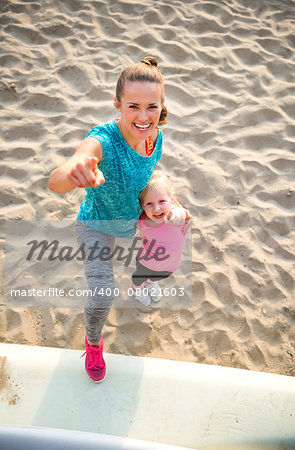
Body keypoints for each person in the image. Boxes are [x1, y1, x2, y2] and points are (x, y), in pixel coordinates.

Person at [48, 56, 169, 383]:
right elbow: (57, 179)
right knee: (102, 295)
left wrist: (156, 202)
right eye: (133, 106)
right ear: (117, 104)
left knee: (166, 240)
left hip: (132, 216)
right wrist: (74, 171)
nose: (143, 117)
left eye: (151, 107)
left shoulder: (155, 137)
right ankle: (93, 343)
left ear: (161, 106)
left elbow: (146, 176)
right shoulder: (103, 139)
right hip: (97, 224)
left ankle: (140, 281)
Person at [131, 170, 190, 306]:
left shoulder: (176, 214)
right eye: (149, 204)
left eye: (162, 201)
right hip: (147, 262)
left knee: (159, 276)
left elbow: (182, 214)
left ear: (172, 200)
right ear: (142, 207)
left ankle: (150, 283)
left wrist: (176, 215)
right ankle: (137, 288)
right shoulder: (144, 221)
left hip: (171, 263)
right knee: (139, 277)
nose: (156, 208)